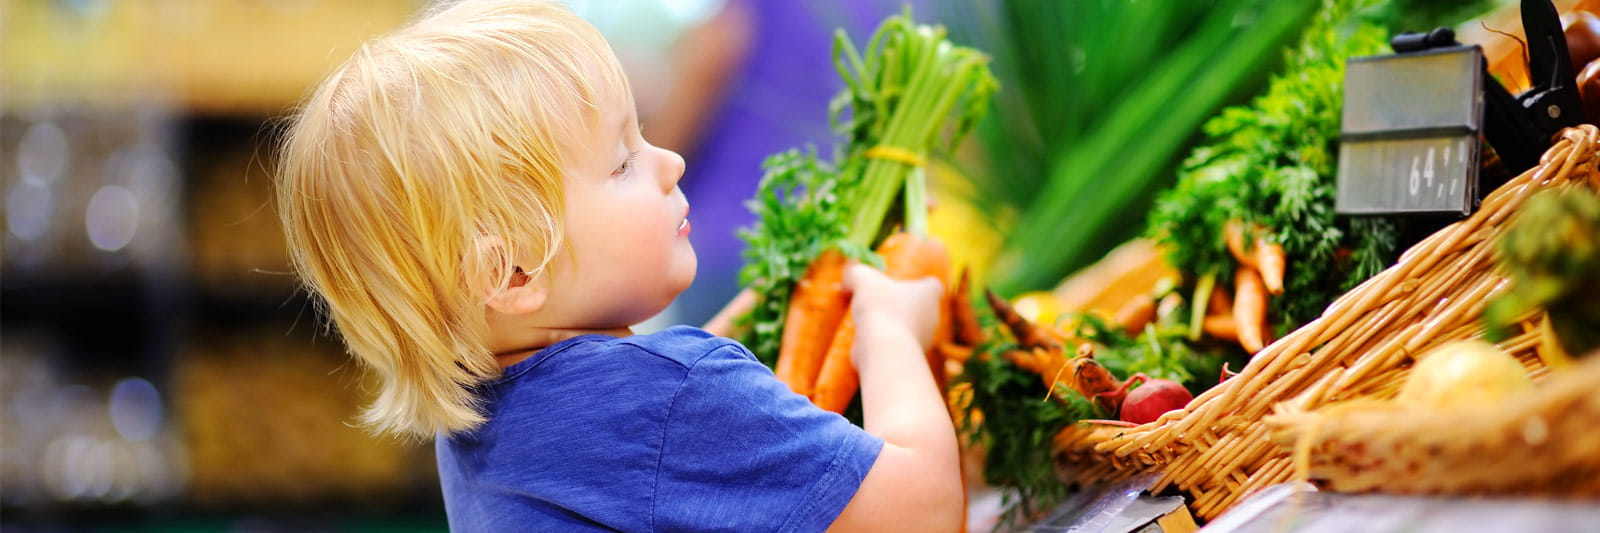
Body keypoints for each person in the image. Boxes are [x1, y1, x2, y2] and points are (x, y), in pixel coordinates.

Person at [274, 1, 962, 531]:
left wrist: (766, 303)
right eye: (623, 162)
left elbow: (654, 423)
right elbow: (922, 511)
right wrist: (889, 331)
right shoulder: (672, 397)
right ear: (514, 274)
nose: (671, 162)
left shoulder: (486, 415)